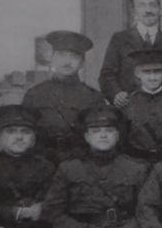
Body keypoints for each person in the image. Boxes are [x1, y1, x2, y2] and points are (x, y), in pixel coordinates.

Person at [43, 105, 148, 228]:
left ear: (118, 135)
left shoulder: (137, 168)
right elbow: (52, 211)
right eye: (96, 131)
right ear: (87, 136)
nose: (103, 136)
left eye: (109, 131)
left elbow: (146, 210)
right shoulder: (69, 168)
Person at [21, 30, 106, 163]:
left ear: (82, 63)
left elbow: (99, 136)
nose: (67, 62)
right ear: (52, 58)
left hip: (79, 163)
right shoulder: (34, 94)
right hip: (41, 161)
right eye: (61, 55)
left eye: (74, 57)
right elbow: (24, 133)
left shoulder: (94, 98)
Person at [99, 0, 162, 108]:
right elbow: (107, 75)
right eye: (142, 6)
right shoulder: (119, 39)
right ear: (133, 11)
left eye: (153, 5)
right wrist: (116, 94)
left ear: (159, 9)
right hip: (129, 108)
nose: (148, 10)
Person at [120, 48, 162, 163]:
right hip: (136, 162)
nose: (152, 77)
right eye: (146, 72)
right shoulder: (127, 104)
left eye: (157, 72)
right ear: (137, 73)